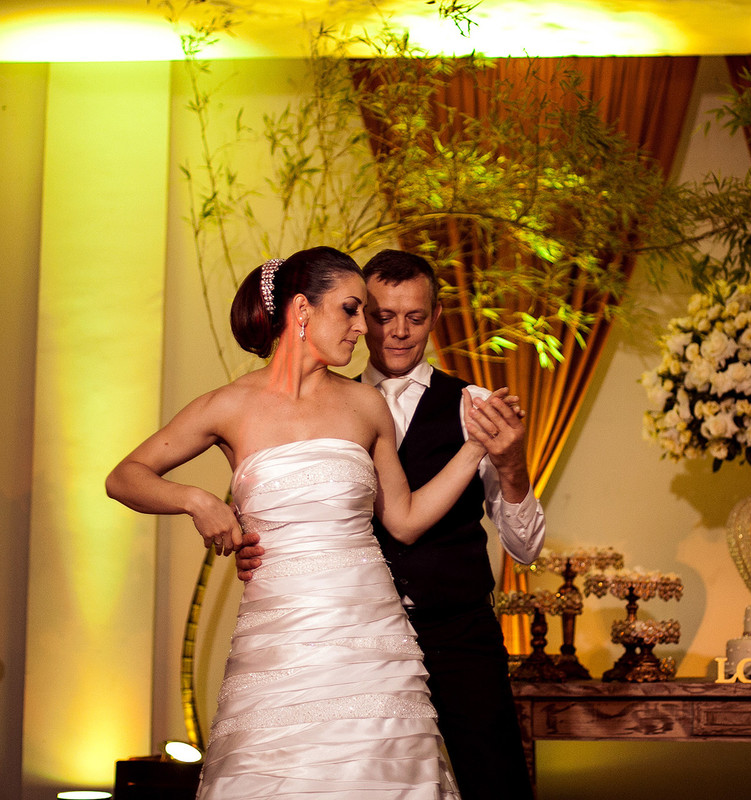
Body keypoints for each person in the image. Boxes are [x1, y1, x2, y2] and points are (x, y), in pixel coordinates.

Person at [106, 246, 509, 798]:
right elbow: (125, 477)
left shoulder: (366, 406)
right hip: (279, 635)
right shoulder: (227, 405)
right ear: (302, 309)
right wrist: (197, 501)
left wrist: (476, 446)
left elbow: (406, 520)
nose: (363, 327)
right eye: (351, 309)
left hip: (370, 635)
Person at [235, 249, 544, 800]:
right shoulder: (324, 404)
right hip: (355, 644)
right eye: (381, 316)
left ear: (436, 316)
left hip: (457, 634)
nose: (398, 332)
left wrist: (513, 465)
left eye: (415, 318)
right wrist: (251, 540)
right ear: (358, 314)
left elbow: (525, 548)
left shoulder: (473, 407)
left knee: (495, 784)